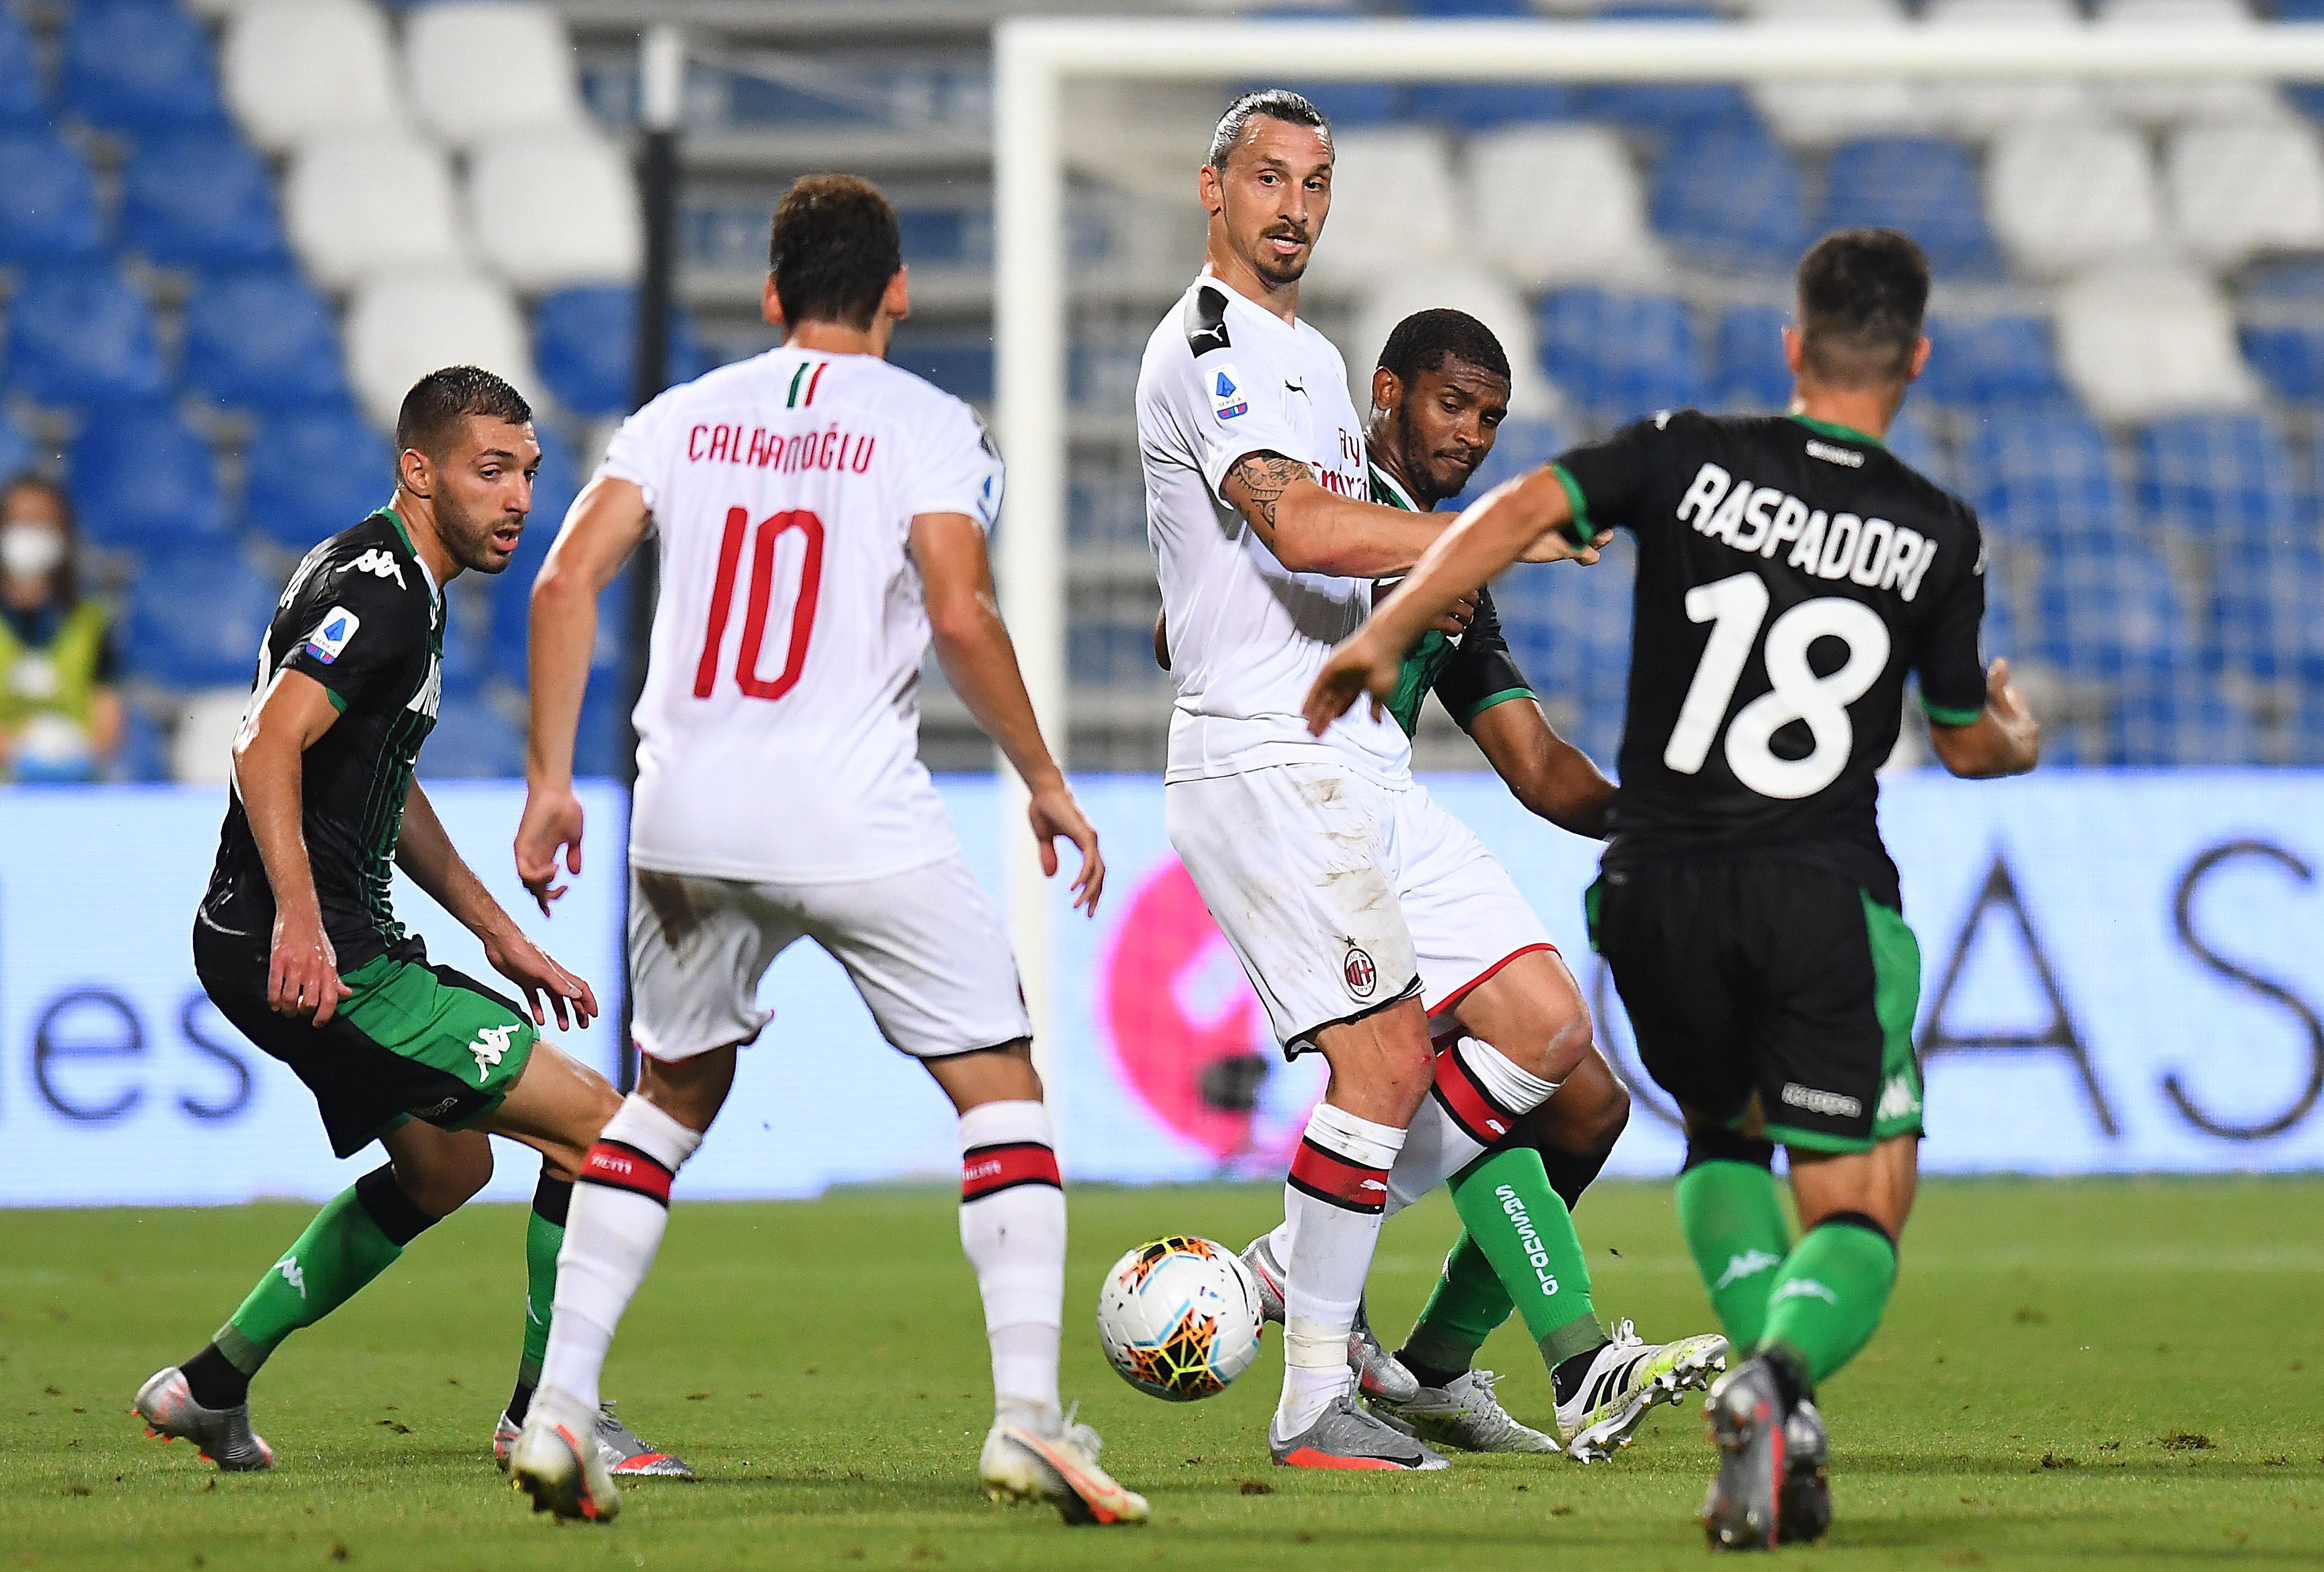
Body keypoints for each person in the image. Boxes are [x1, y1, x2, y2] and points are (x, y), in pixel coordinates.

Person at [1304, 229, 2040, 1546]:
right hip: (1800, 879)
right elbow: (1968, 743)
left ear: (1792, 346)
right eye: (1452, 406)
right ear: (1916, 360)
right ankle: (1741, 1371)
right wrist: (2015, 736)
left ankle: (1443, 1360)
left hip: (1649, 882)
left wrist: (1395, 624)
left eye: (1488, 416)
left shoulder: (1684, 455)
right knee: (1852, 1193)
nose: (1470, 434)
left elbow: (1534, 677)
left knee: (1639, 1115)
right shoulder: (1933, 530)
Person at [508, 173, 1144, 1528]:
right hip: (850, 811)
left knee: (669, 1094)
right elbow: (960, 612)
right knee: (998, 1084)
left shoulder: (680, 415)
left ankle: (560, 1402)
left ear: (770, 295)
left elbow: (563, 580)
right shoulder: (927, 423)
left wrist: (553, 782)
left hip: (683, 815)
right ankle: (1028, 1419)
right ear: (899, 290)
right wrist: (1043, 778)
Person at [1139, 89, 1716, 1473]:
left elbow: (1530, 759)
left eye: (1316, 182)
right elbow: (1290, 523)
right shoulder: (1207, 344)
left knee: (1548, 1031)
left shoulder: (1315, 360)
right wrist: (1489, 533)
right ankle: (1315, 1395)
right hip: (1270, 751)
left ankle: (1305, 1271)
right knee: (1390, 1061)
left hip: (1364, 774)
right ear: (1213, 190)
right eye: (1268, 178)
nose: (1295, 206)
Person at [133, 367, 689, 1488]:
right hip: (317, 945)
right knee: (602, 1131)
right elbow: (264, 742)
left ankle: (211, 1381)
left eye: (528, 472)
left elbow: (377, 769)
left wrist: (496, 931)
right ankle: (548, 1413)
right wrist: (302, 921)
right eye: (491, 471)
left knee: (444, 1167)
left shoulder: (382, 572)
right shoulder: (387, 593)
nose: (519, 497)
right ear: (420, 471)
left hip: (281, 931)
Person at [0, 474, 123, 781]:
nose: (29, 534)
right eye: (19, 521)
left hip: (76, 783)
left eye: (40, 523)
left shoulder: (92, 621)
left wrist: (70, 752)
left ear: (63, 533)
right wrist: (19, 750)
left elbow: (108, 720)